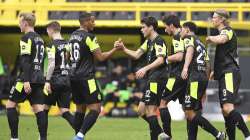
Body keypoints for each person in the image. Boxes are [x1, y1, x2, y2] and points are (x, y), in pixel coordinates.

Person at [116, 16, 170, 140]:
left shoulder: (159, 41)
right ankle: (161, 133)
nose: (141, 29)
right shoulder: (149, 42)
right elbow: (136, 54)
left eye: (143, 27)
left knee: (150, 110)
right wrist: (123, 48)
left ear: (151, 27)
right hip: (152, 78)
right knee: (141, 111)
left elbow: (161, 59)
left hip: (158, 78)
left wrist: (145, 68)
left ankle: (161, 135)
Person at [69, 13, 121, 140]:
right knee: (96, 109)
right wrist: (115, 49)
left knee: (80, 109)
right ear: (86, 22)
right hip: (87, 77)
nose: (94, 23)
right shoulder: (90, 37)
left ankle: (77, 135)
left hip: (73, 77)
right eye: (92, 21)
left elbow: (67, 57)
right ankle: (80, 136)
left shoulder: (72, 36)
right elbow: (101, 57)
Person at [206, 9, 250, 140]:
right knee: (225, 111)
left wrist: (211, 38)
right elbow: (224, 54)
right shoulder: (222, 31)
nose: (212, 19)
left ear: (221, 19)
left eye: (214, 17)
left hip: (229, 73)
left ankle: (248, 135)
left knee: (228, 108)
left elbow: (222, 39)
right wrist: (216, 70)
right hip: (224, 73)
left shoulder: (227, 31)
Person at [181, 21, 226, 140]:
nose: (181, 31)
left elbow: (190, 50)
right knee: (194, 112)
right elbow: (207, 64)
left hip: (195, 79)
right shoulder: (200, 43)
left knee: (189, 112)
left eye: (182, 29)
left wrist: (185, 67)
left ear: (187, 30)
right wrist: (205, 84)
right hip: (202, 78)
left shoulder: (188, 38)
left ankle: (218, 134)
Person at [6, 13, 47, 140]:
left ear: (25, 23)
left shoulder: (26, 38)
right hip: (39, 78)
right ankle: (43, 138)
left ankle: (14, 138)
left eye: (20, 22)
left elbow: (25, 60)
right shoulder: (40, 39)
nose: (19, 24)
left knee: (10, 105)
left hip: (27, 78)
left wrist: (26, 80)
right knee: (39, 109)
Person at [44, 21, 74, 130]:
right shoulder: (68, 44)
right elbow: (70, 62)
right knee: (65, 111)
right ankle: (80, 132)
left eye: (47, 31)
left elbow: (51, 64)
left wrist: (47, 81)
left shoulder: (51, 45)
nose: (47, 33)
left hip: (54, 80)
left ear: (51, 30)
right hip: (67, 80)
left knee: (44, 109)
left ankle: (42, 137)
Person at [161, 14, 186, 138]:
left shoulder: (177, 37)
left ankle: (167, 136)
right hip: (185, 76)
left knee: (162, 103)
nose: (165, 30)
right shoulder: (184, 36)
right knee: (189, 111)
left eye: (166, 27)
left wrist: (164, 59)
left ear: (171, 26)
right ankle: (217, 134)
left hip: (176, 76)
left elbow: (179, 56)